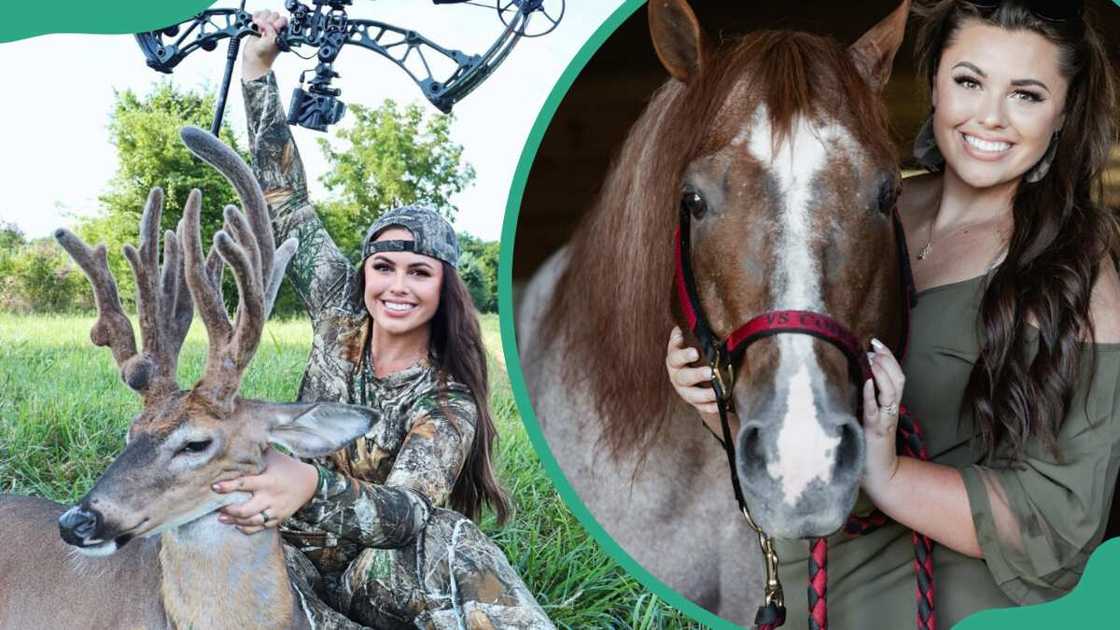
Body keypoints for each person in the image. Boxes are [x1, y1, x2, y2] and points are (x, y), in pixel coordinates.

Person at [665, 0, 1120, 626]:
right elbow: (804, 437)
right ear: (933, 82)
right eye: (969, 81)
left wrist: (891, 474)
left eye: (1026, 94)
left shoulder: (1079, 268)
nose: (989, 115)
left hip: (957, 609)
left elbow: (1060, 525)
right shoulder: (856, 210)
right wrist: (714, 401)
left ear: (1063, 112)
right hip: (801, 596)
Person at [208, 10, 555, 630]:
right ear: (364, 271)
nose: (396, 286)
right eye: (384, 266)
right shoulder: (340, 306)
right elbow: (284, 200)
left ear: (444, 287)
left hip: (375, 570)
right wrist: (260, 72)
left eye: (419, 273)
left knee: (451, 540)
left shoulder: (448, 399)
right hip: (282, 551)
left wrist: (310, 488)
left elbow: (408, 511)